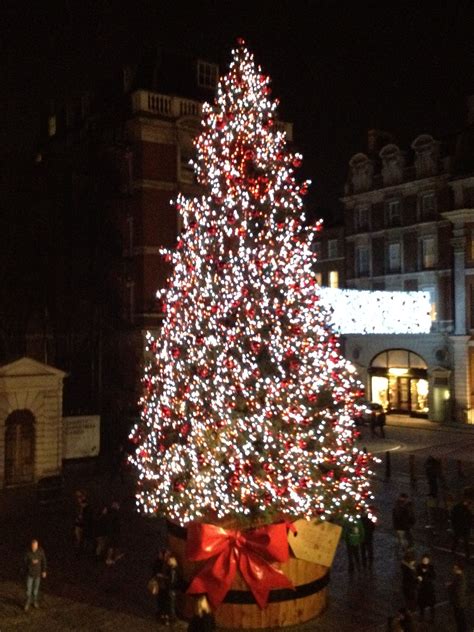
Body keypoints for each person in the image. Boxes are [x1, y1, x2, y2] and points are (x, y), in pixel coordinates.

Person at [23, 539, 47, 612]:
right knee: (28, 590)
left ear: (37, 545)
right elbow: (24, 563)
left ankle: (35, 602)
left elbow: (44, 561)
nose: (34, 547)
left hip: (37, 574)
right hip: (30, 574)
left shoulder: (40, 551)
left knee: (35, 590)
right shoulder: (28, 553)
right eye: (33, 546)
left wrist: (44, 571)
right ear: (31, 546)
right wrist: (31, 563)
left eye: (35, 546)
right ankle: (27, 602)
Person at [446, 561, 467, 631]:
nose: (453, 569)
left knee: (460, 619)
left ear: (459, 569)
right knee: (459, 618)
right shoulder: (458, 577)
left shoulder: (460, 578)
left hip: (458, 603)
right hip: (458, 602)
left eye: (455, 568)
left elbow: (457, 592)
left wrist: (449, 587)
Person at [416, 553, 436, 622]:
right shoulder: (418, 567)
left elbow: (433, 577)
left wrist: (424, 577)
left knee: (431, 605)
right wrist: (418, 578)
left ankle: (432, 618)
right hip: (422, 588)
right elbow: (416, 574)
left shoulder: (431, 567)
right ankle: (421, 617)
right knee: (422, 604)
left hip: (429, 588)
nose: (424, 561)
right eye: (423, 560)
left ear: (428, 560)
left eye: (426, 560)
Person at [161, 554, 179, 626]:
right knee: (169, 605)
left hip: (171, 590)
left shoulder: (173, 569)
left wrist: (164, 578)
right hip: (170, 590)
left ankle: (173, 620)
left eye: (169, 560)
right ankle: (169, 619)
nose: (168, 561)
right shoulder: (172, 568)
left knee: (170, 606)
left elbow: (172, 581)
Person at [105, 500, 124, 565]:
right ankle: (109, 558)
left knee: (114, 545)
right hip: (114, 531)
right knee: (112, 546)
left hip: (111, 531)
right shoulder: (115, 514)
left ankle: (115, 556)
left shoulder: (109, 513)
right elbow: (117, 523)